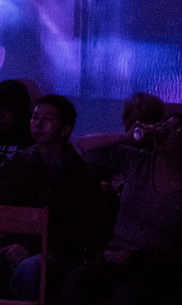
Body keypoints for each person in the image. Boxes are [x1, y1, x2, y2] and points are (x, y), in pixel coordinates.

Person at [0, 95, 102, 301]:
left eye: (47, 119)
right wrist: (13, 245)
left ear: (65, 129)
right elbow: (0, 213)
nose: (38, 124)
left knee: (29, 269)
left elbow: (79, 228)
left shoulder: (81, 173)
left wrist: (30, 248)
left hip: (57, 249)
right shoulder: (15, 163)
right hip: (11, 242)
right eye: (35, 117)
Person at [59, 109, 182, 304]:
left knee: (127, 295)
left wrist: (135, 258)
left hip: (155, 266)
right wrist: (127, 138)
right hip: (113, 255)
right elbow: (84, 147)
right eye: (164, 124)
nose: (165, 129)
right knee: (76, 281)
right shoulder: (139, 161)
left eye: (176, 128)